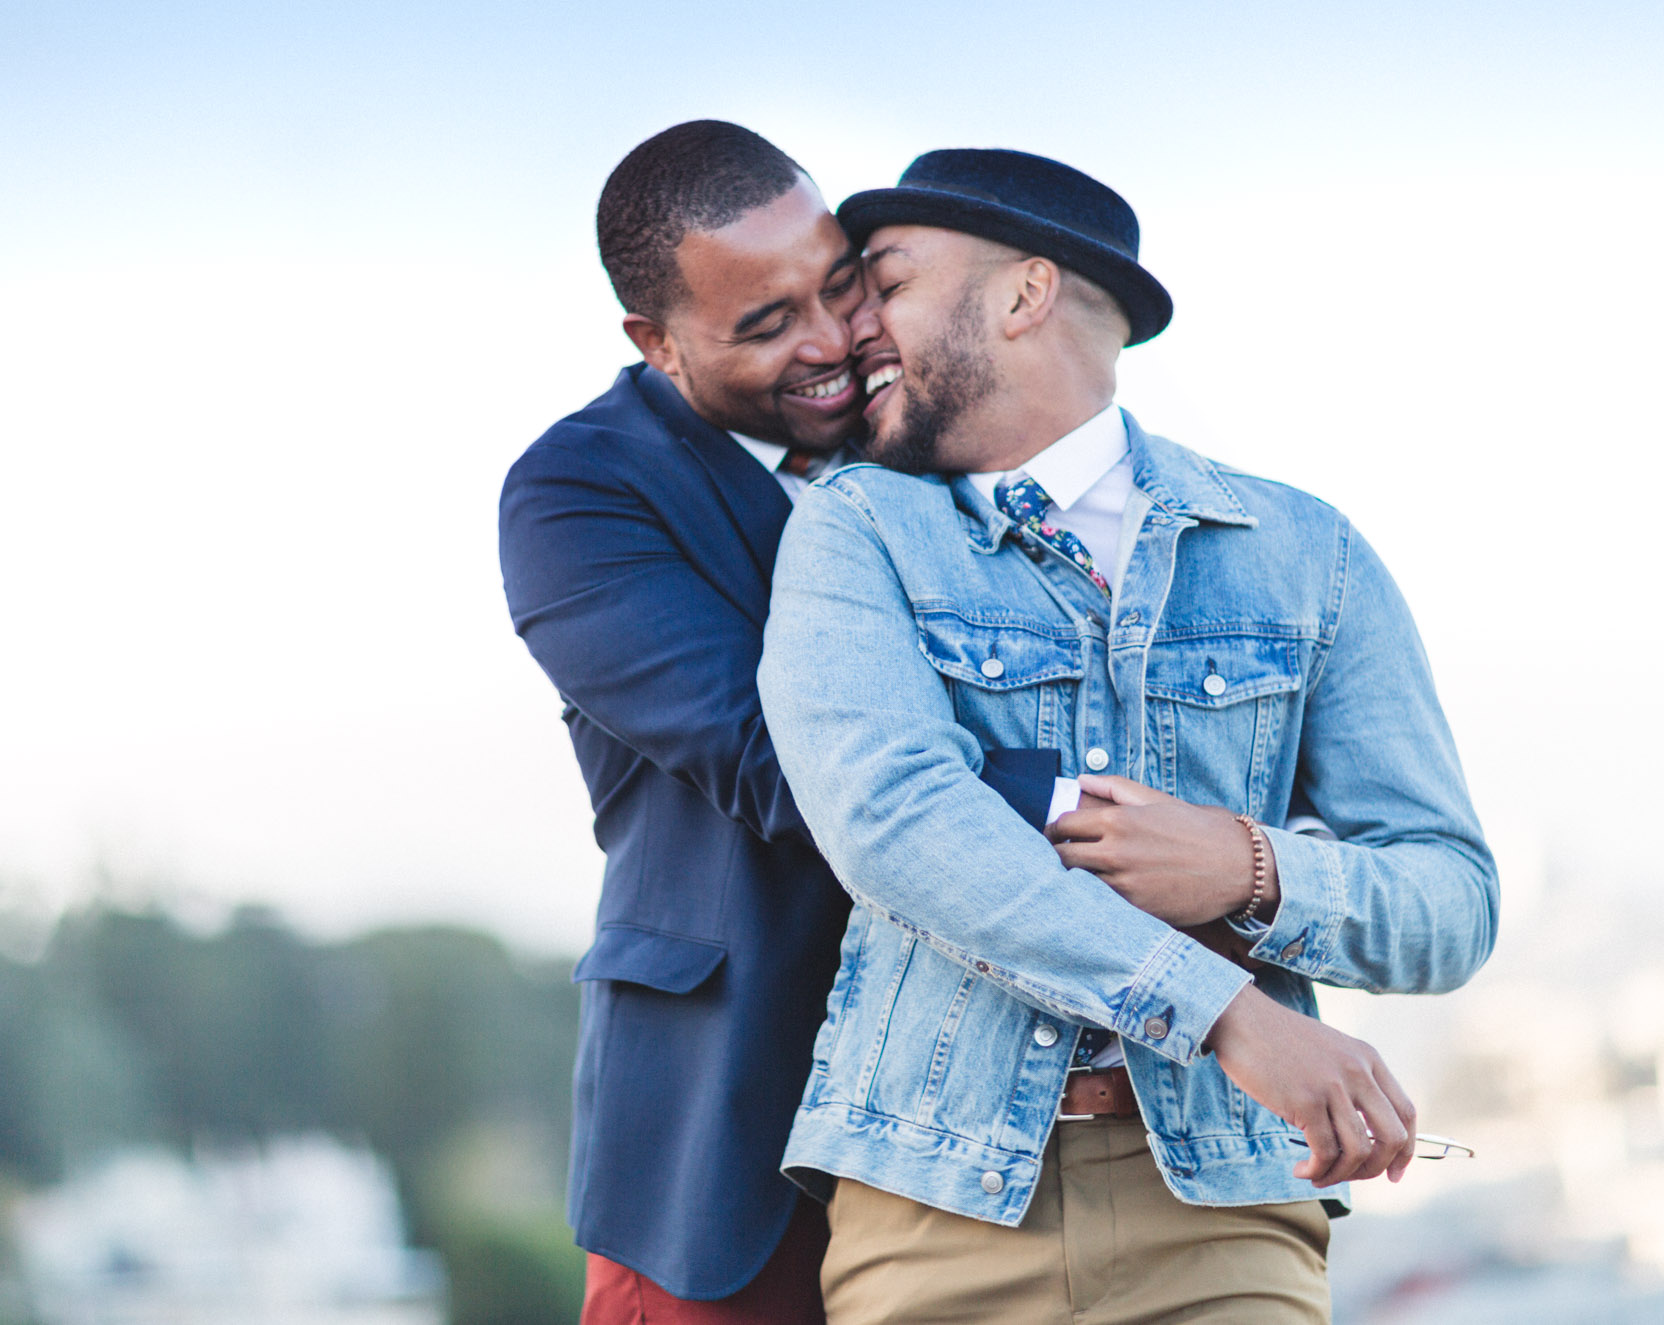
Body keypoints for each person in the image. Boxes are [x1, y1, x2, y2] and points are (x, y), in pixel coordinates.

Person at [756, 148, 1499, 1323]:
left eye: (881, 285)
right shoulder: (858, 531)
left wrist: (1245, 865)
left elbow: (1448, 902)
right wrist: (1224, 1010)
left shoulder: (1307, 553)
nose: (850, 332)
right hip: (935, 1202)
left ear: (1021, 294)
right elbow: (895, 820)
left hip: (1224, 1218)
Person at [497, 122, 1078, 1321]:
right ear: (654, 343)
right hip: (728, 1132)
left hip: (971, 1120)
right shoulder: (577, 493)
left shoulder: (927, 438)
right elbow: (779, 766)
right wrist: (1111, 813)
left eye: (838, 287)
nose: (826, 344)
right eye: (763, 325)